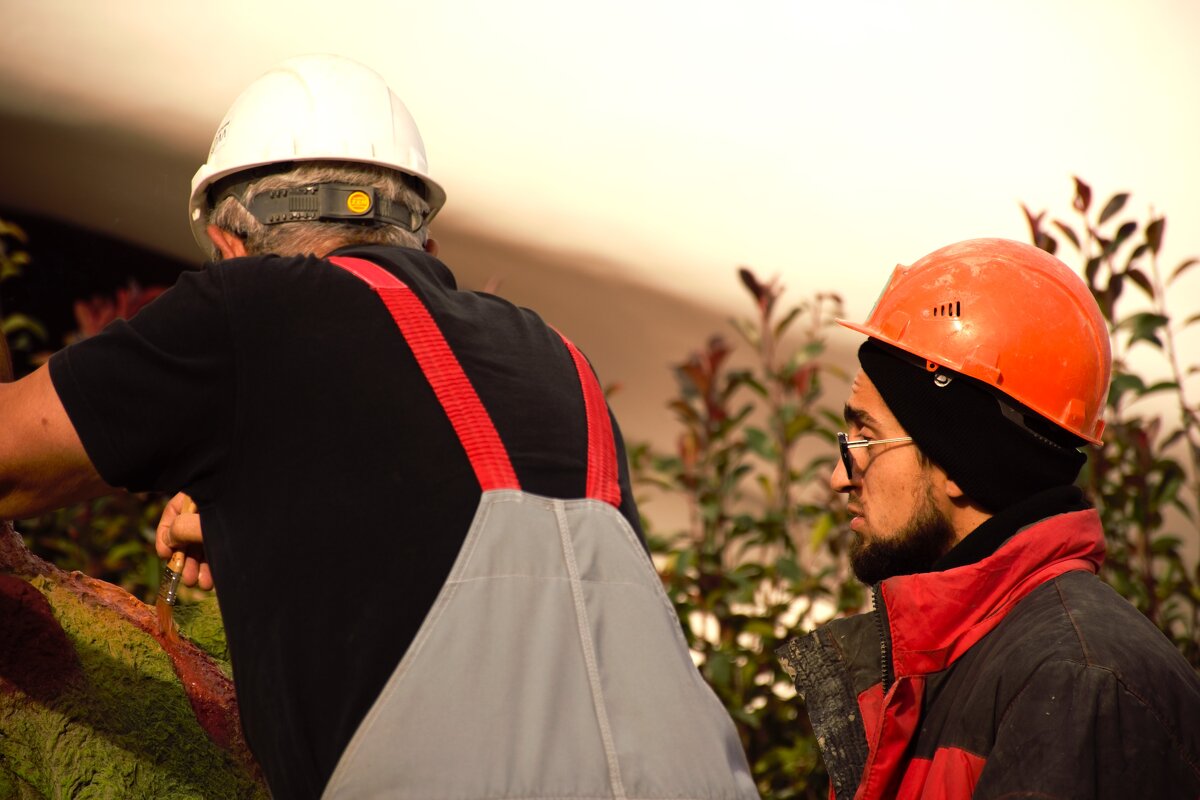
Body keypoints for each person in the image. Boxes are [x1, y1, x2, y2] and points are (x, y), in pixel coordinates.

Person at [0, 54, 758, 799]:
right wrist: (263, 519)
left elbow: (9, 458)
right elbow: (522, 599)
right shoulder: (560, 360)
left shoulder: (248, 308)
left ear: (230, 249)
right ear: (425, 239)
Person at [777, 238, 1200, 799]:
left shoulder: (1079, 686)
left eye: (866, 437)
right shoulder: (958, 658)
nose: (839, 475)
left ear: (959, 459)